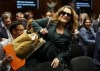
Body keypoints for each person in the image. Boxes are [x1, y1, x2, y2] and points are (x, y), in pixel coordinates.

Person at [26, 5, 78, 70]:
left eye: (68, 14)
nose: (65, 15)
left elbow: (66, 50)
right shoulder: (50, 21)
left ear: (71, 18)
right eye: (63, 13)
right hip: (36, 55)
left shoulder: (69, 33)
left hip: (51, 60)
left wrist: (59, 58)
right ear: (59, 14)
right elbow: (33, 22)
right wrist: (40, 29)